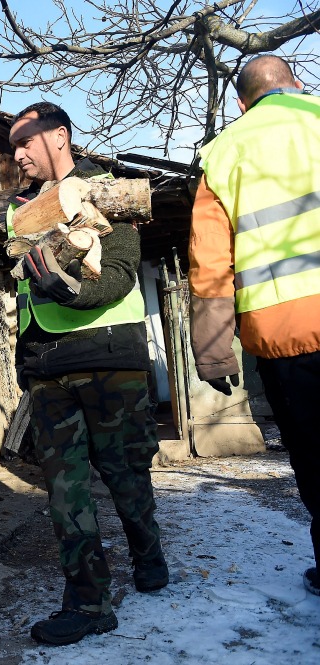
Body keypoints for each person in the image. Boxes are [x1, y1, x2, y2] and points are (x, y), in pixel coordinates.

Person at [7, 102, 167, 645]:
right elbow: (26, 292)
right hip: (49, 370)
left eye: (25, 140)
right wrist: (24, 357)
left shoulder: (105, 191)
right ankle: (88, 601)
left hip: (107, 361)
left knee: (126, 478)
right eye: (13, 146)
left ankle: (150, 559)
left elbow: (120, 275)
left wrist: (68, 289)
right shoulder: (20, 212)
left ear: (60, 136)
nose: (18, 153)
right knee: (64, 491)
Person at [188, 55, 320, 596]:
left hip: (285, 334)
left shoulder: (225, 152)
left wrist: (215, 354)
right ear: (299, 84)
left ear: (241, 103)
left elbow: (211, 266)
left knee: (313, 457)